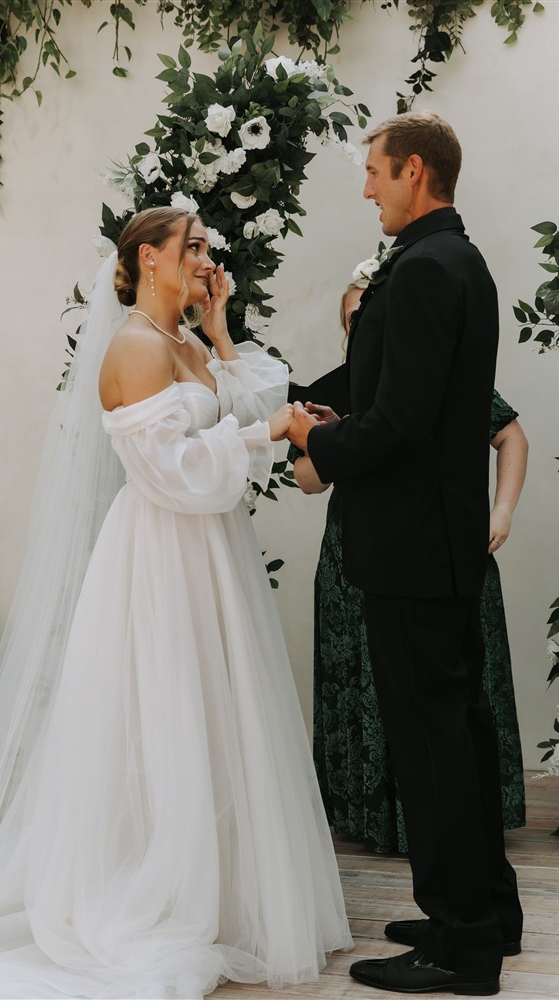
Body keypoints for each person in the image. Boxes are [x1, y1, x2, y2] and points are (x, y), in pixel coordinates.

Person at [0, 206, 352, 999]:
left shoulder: (176, 339)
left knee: (212, 711)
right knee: (165, 713)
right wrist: (264, 434)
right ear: (148, 258)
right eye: (195, 248)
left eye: (210, 248)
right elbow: (168, 472)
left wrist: (218, 328)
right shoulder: (134, 348)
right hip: (164, 552)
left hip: (208, 549)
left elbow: (240, 403)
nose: (209, 259)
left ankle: (216, 886)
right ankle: (157, 886)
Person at [287, 112, 523, 996]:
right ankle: (484, 913)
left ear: (414, 170)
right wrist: (289, 397)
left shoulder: (426, 269)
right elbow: (382, 384)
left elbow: (399, 421)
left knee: (431, 746)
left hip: (412, 550)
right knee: (455, 735)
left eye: (375, 173)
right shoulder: (450, 261)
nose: (365, 188)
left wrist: (312, 447)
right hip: (440, 544)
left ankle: (460, 954)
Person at [290, 284, 527, 853]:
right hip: (353, 558)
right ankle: (379, 822)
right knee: (371, 691)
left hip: (431, 551)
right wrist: (329, 439)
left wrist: (501, 512)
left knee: (445, 692)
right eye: (353, 320)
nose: (363, 329)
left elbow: (509, 435)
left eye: (371, 316)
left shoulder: (430, 374)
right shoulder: (333, 390)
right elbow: (307, 478)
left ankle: (460, 831)